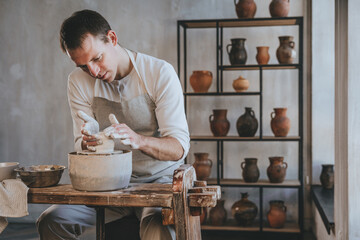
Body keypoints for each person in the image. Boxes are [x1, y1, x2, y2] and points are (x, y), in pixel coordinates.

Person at [36, 9, 189, 240]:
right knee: (51, 221)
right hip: (107, 184)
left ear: (112, 39)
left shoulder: (159, 72)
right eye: (83, 66)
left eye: (97, 58)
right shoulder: (77, 82)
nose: (93, 72)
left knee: (157, 228)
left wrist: (138, 140)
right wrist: (89, 142)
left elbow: (178, 148)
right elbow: (80, 144)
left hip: (158, 182)